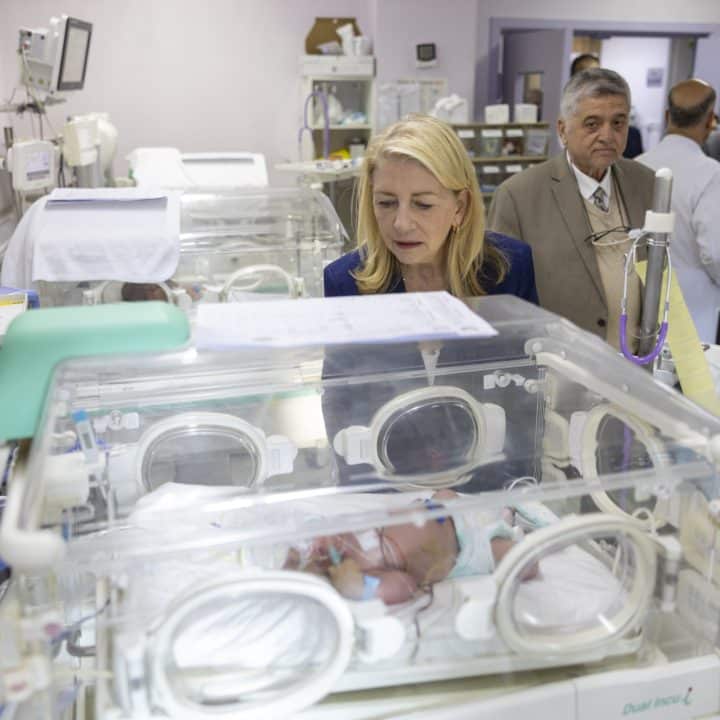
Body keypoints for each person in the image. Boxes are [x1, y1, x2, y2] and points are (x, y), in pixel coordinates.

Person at [487, 68, 655, 347]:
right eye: (592, 124)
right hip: (560, 369)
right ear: (563, 130)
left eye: (618, 123)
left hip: (635, 368)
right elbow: (503, 305)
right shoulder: (518, 196)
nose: (607, 135)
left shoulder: (645, 183)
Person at [323, 114, 538, 304]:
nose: (401, 224)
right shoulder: (344, 284)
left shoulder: (511, 268)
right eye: (386, 203)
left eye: (423, 205)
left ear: (460, 208)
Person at [284, 489, 535, 605]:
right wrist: (361, 589)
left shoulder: (334, 535)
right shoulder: (366, 573)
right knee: (520, 560)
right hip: (465, 548)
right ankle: (516, 529)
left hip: (439, 508)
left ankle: (503, 516)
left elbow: (306, 526)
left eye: (314, 547)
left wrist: (297, 551)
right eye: (318, 560)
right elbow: (403, 587)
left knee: (447, 493)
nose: (317, 547)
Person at [637, 79, 720, 344]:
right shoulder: (710, 174)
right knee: (690, 380)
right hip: (694, 306)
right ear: (710, 121)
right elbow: (715, 253)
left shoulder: (635, 166)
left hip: (640, 296)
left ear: (666, 116)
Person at [570, 54, 643, 158]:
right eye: (589, 75)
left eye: (599, 74)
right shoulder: (570, 121)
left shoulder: (632, 135)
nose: (596, 80)